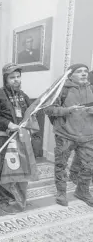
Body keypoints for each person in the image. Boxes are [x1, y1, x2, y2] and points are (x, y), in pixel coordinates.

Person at [0, 63, 33, 214]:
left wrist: (29, 128)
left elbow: (30, 114)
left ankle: (14, 193)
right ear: (5, 78)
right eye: (12, 77)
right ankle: (1, 198)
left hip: (21, 137)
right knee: (5, 168)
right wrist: (8, 124)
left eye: (18, 77)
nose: (16, 80)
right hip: (5, 137)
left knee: (18, 167)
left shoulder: (23, 96)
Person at [44, 63, 93, 207]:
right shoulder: (61, 90)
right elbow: (48, 109)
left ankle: (82, 191)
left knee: (89, 167)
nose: (84, 74)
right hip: (65, 135)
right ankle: (61, 192)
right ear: (70, 75)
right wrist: (67, 110)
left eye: (85, 71)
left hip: (88, 136)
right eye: (79, 72)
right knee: (61, 165)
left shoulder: (91, 88)